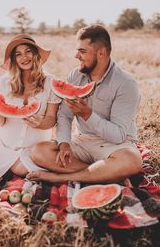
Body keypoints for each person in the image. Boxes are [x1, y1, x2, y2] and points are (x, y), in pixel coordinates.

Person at [26, 24, 143, 183]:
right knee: (39, 151)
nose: (76, 56)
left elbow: (118, 136)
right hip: (83, 141)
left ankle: (59, 178)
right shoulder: (76, 75)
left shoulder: (126, 84)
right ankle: (107, 174)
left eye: (82, 51)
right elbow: (64, 116)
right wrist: (64, 144)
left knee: (132, 161)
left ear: (101, 53)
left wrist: (87, 115)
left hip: (115, 146)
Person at [0, 34, 61, 180]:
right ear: (14, 60)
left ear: (36, 54)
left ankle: (15, 167)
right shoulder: (5, 82)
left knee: (25, 169)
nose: (24, 57)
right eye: (18, 54)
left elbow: (51, 119)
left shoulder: (51, 83)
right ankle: (13, 166)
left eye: (28, 51)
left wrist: (41, 123)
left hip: (33, 149)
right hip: (3, 146)